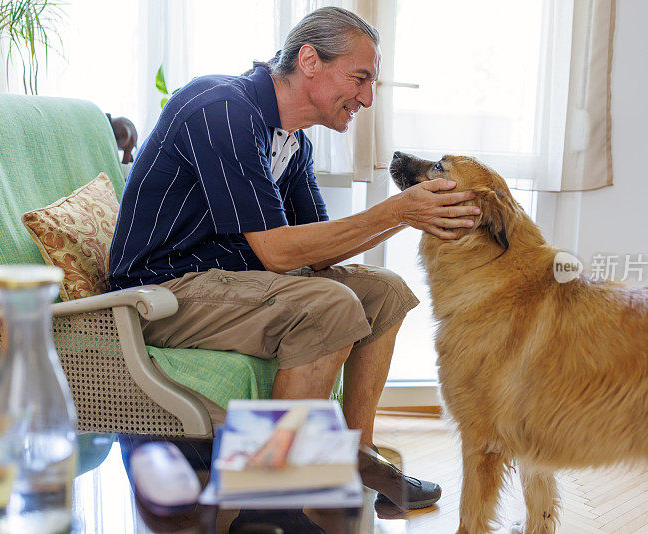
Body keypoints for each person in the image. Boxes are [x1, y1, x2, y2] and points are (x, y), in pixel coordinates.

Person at [108, 7, 479, 510]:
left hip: (226, 282)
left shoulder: (292, 143)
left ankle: (355, 454)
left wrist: (403, 215)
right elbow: (279, 251)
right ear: (309, 60)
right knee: (328, 305)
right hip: (160, 291)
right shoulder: (223, 109)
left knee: (386, 292)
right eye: (361, 77)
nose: (367, 97)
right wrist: (399, 211)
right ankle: (268, 502)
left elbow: (316, 251)